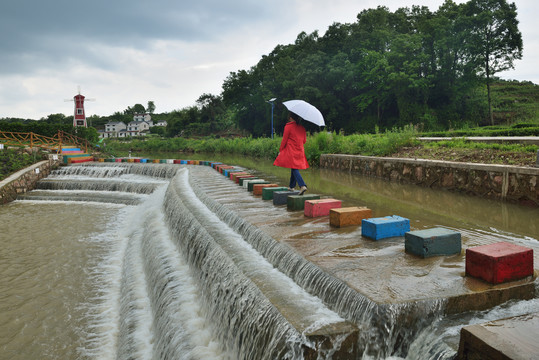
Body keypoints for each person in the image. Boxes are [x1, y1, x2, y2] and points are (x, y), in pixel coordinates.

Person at [273, 111, 308, 195]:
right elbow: (304, 141)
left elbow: (284, 140)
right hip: (300, 151)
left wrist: (281, 150)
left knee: (294, 168)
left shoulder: (288, 127)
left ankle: (302, 185)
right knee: (294, 167)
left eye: (289, 117)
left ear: (291, 118)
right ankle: (291, 186)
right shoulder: (302, 128)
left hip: (291, 151)